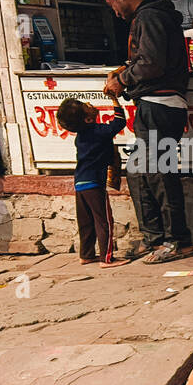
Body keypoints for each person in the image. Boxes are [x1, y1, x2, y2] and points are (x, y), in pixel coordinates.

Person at [98, 0, 193, 263]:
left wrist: (123, 79)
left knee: (161, 174)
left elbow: (152, 64)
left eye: (112, 4)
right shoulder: (150, 15)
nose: (114, 11)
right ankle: (154, 238)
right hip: (151, 106)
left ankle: (177, 241)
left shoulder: (151, 16)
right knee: (139, 173)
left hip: (161, 107)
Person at [56, 97, 129, 268]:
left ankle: (86, 255)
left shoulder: (81, 136)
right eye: (85, 106)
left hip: (80, 183)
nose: (89, 104)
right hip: (94, 183)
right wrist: (114, 100)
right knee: (104, 220)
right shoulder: (97, 131)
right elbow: (119, 122)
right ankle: (107, 258)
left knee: (86, 222)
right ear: (87, 119)